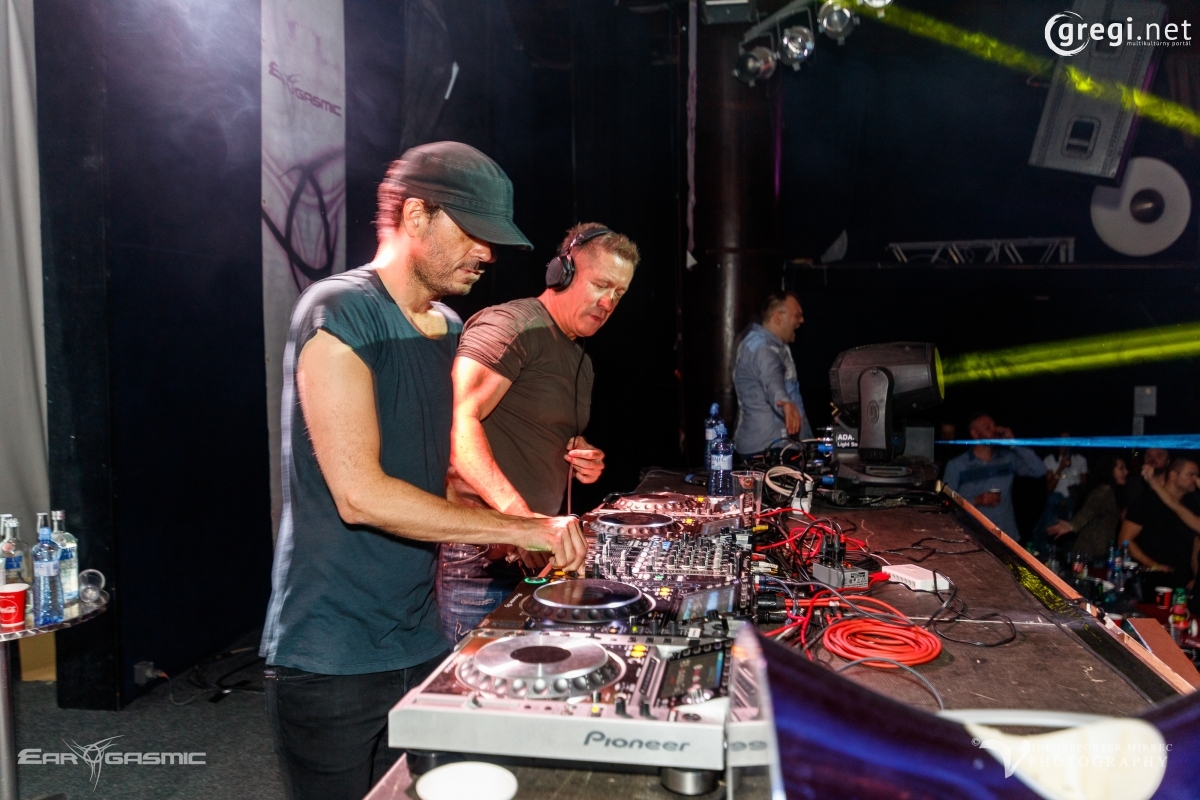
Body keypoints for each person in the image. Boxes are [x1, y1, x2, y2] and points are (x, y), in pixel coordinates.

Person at [259, 142, 588, 800]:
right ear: (416, 216)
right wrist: (522, 529)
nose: (487, 254)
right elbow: (361, 495)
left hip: (420, 639)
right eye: (473, 234)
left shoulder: (447, 326)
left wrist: (508, 523)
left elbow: (433, 477)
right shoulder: (338, 310)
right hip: (331, 654)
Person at [439, 223, 640, 640]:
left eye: (619, 293)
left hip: (531, 552)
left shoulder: (580, 359)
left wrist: (580, 455)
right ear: (562, 272)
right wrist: (523, 521)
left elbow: (531, 425)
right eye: (601, 285)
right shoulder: (513, 325)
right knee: (473, 678)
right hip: (481, 557)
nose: (608, 302)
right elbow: (458, 421)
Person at [942, 413, 1050, 540]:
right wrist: (977, 500)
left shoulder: (1007, 459)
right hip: (975, 536)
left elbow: (1039, 470)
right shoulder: (957, 465)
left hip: (1007, 536)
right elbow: (946, 502)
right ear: (975, 434)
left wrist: (1013, 443)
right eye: (987, 427)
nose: (993, 430)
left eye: (994, 425)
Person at [733, 291, 813, 458]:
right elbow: (772, 380)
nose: (801, 320)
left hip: (778, 447)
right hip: (768, 450)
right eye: (797, 315)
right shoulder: (762, 348)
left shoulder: (775, 345)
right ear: (777, 317)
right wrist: (785, 403)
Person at [1122, 457, 1200, 592]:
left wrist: (1196, 577)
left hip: (1181, 580)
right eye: (1191, 474)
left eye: (1197, 475)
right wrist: (1153, 565)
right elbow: (1125, 540)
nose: (1196, 479)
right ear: (1173, 475)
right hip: (1149, 577)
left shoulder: (1193, 504)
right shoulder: (1147, 501)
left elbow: (1196, 543)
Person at [1047, 454, 1128, 561]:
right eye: (1121, 468)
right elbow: (1088, 510)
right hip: (1090, 553)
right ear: (1110, 471)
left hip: (1100, 551)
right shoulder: (1104, 490)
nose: (1126, 472)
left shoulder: (1115, 492)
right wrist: (1072, 526)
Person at [1031, 434, 1088, 555]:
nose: (1065, 445)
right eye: (1062, 441)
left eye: (1068, 441)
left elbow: (1084, 486)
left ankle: (1068, 554)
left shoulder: (1080, 460)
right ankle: (1047, 552)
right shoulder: (1050, 459)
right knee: (1053, 502)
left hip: (1072, 503)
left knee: (1070, 536)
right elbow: (1049, 487)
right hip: (1055, 503)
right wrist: (1061, 467)